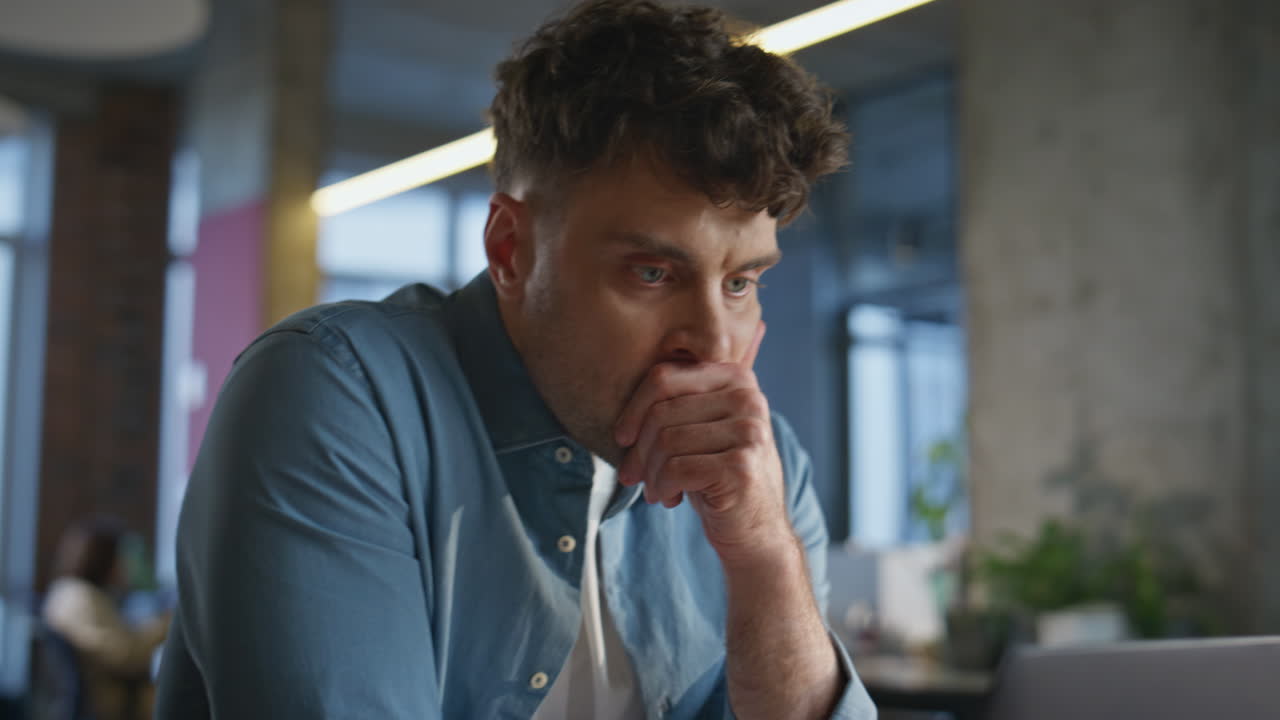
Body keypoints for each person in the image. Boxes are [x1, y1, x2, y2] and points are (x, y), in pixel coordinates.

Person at [156, 0, 874, 717]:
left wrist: (765, 559)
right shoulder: (334, 397)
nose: (715, 345)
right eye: (653, 273)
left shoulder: (761, 461)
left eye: (741, 282)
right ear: (510, 249)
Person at [43, 518, 170, 720]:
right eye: (122, 558)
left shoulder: (72, 592)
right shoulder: (80, 598)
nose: (127, 567)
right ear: (104, 559)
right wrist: (167, 624)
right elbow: (126, 656)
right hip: (111, 703)